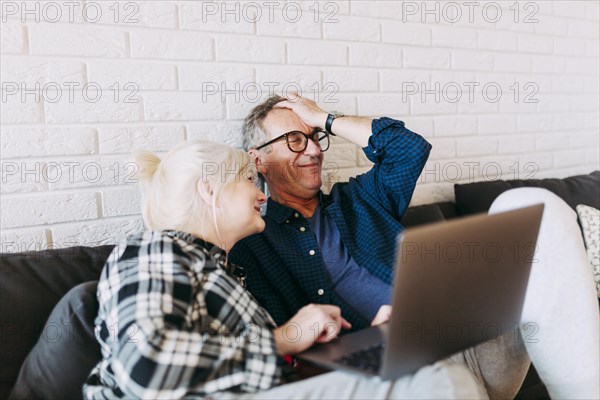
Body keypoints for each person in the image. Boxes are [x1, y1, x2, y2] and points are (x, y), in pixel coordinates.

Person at [229, 94, 600, 399]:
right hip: (403, 377)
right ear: (258, 159)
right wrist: (369, 339)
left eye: (315, 137)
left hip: (470, 339)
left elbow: (408, 149)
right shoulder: (253, 243)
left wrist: (324, 117)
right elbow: (280, 349)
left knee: (533, 206)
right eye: (295, 139)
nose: (312, 150)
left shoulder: (359, 199)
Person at [82, 140, 481, 399]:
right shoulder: (154, 249)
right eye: (248, 180)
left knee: (441, 363)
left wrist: (370, 343)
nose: (261, 194)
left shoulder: (219, 268)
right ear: (209, 190)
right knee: (440, 382)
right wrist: (285, 337)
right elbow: (146, 364)